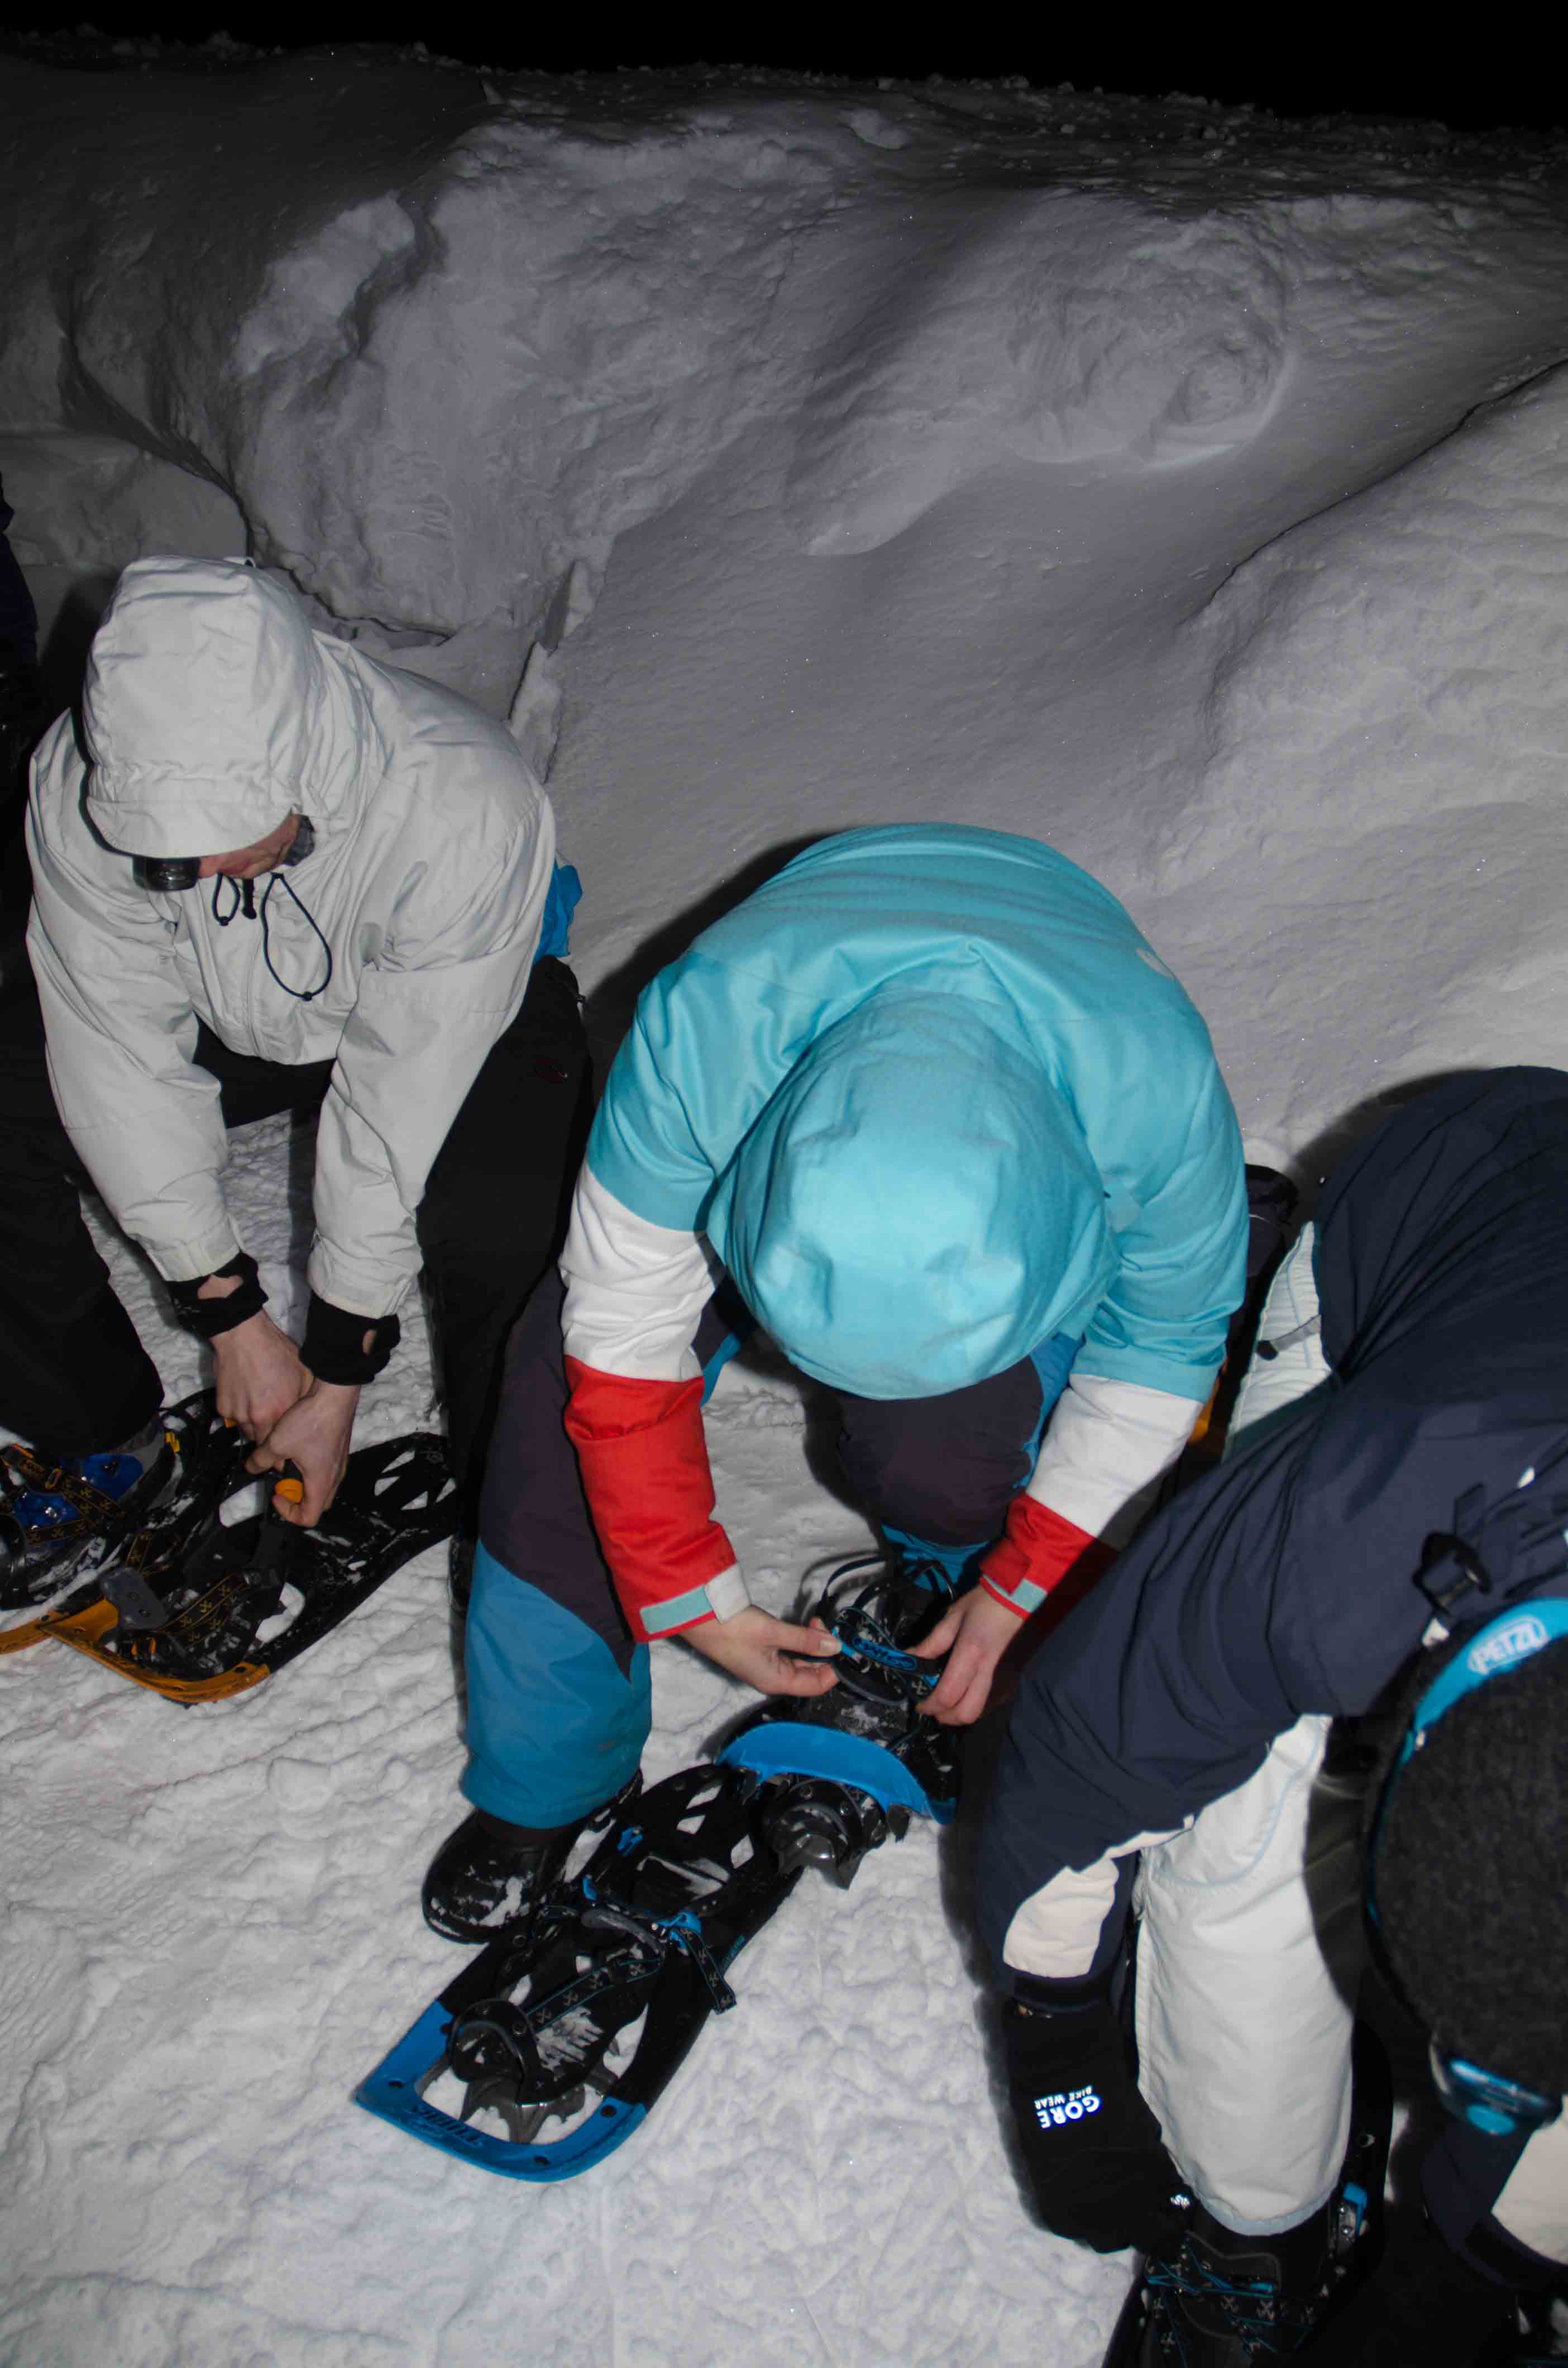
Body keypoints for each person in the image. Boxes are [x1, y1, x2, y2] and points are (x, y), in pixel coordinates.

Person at [423, 821, 1249, 1940]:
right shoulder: (704, 1031)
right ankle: (552, 1768)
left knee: (959, 1456)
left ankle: (946, 1592)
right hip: (770, 1076)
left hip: (1050, 1072)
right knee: (553, 1418)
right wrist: (693, 1598)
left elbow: (1156, 1358)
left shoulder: (1153, 1099)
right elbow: (620, 1337)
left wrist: (1015, 1588)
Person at [978, 1067, 1568, 2366]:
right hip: (1437, 1209)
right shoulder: (1327, 1537)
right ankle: (1256, 2215)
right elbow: (1090, 1753)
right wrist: (1058, 2052)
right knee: (1252, 1839)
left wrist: (1482, 2259)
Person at [6, 553, 589, 1592]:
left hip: (444, 1000)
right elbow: (117, 1047)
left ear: (300, 761)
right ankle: (100, 1430)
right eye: (170, 858)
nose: (207, 871)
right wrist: (225, 1309)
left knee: (505, 1219)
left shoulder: (461, 799)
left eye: (232, 842)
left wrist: (340, 1371)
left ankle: (517, 1514)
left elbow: (395, 1103)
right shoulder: (78, 786)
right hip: (230, 1002)